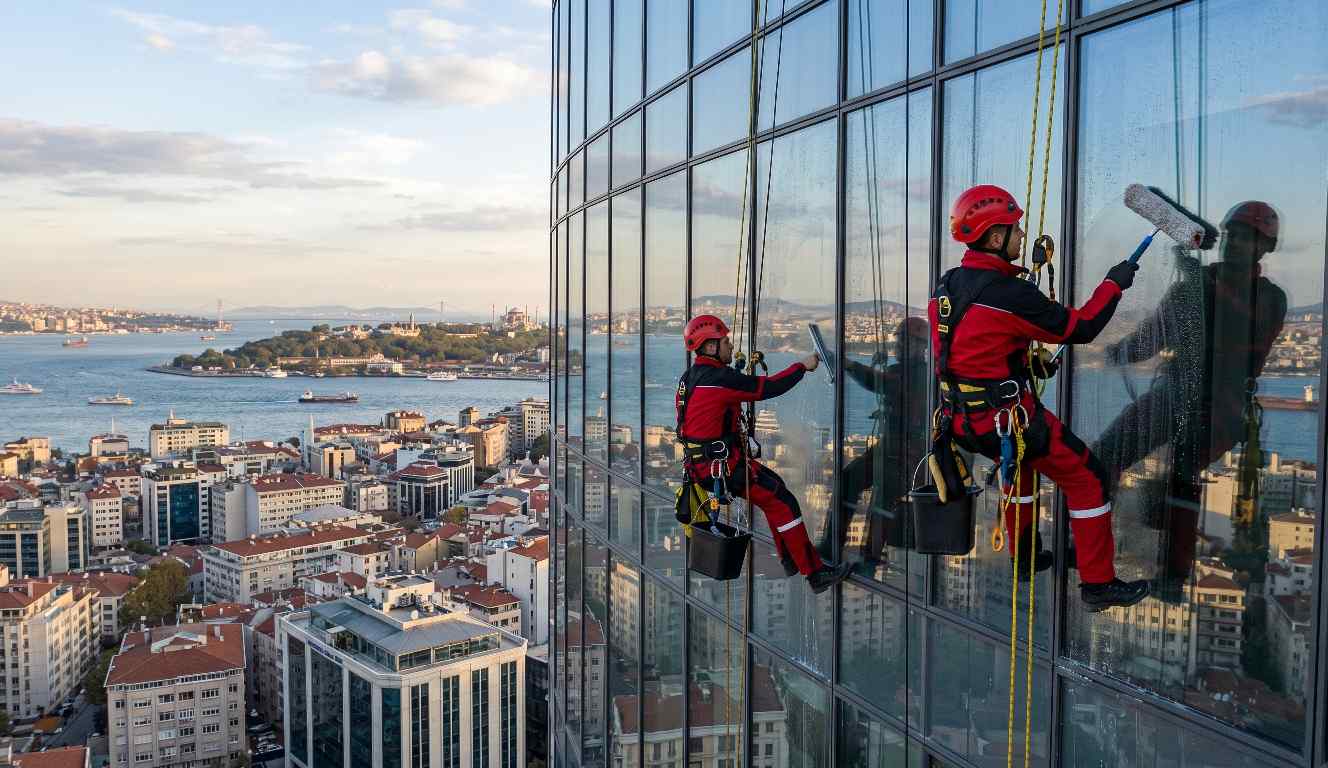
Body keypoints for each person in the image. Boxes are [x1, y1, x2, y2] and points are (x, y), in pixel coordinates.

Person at [929, 183, 1150, 612]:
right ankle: (1098, 583)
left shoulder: (949, 284)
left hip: (961, 420)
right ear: (995, 238)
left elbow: (967, 348)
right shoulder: (1008, 293)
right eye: (1014, 229)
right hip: (1005, 418)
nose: (1021, 235)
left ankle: (1025, 558)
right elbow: (1081, 328)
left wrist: (1026, 365)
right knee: (1088, 478)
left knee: (1023, 470)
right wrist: (1113, 284)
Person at [1093, 201, 1287, 595]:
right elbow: (1154, 336)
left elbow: (1244, 332)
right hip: (1177, 392)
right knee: (1104, 457)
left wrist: (1203, 287)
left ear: (1265, 248)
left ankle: (1174, 575)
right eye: (1232, 235)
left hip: (1222, 405)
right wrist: (1115, 351)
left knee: (1181, 473)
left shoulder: (1269, 298)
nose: (1234, 244)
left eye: (1246, 238)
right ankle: (1088, 549)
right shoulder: (1194, 286)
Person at [676, 314, 853, 594]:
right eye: (725, 342)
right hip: (723, 467)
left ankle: (790, 558)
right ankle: (815, 574)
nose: (730, 346)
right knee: (783, 503)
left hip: (708, 466)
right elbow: (767, 388)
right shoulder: (719, 378)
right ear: (710, 347)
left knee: (778, 493)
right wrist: (801, 367)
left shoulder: (691, 377)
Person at [819, 316, 930, 568]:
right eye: (900, 340)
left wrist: (846, 364)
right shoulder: (906, 372)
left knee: (883, 496)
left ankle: (867, 556)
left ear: (920, 346)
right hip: (894, 447)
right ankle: (834, 546)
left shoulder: (918, 375)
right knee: (850, 480)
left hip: (907, 453)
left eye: (905, 341)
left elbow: (879, 382)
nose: (899, 346)